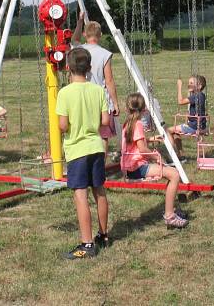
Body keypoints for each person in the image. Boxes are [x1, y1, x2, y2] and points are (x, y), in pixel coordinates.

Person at [56, 47, 110, 259]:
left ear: (68, 67)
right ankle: (103, 235)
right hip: (96, 147)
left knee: (81, 195)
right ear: (89, 68)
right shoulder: (98, 90)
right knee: (99, 191)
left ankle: (87, 244)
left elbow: (62, 125)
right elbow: (105, 121)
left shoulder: (65, 93)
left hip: (77, 150)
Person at [121, 93, 188, 229]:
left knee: (170, 174)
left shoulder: (128, 123)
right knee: (174, 175)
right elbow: (142, 149)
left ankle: (172, 208)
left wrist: (151, 139)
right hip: (136, 168)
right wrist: (155, 156)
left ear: (127, 109)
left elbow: (133, 143)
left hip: (130, 166)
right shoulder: (138, 123)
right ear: (144, 110)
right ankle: (170, 216)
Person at [73, 13, 120, 157]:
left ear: (84, 34)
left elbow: (74, 39)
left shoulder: (79, 50)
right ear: (99, 35)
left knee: (84, 133)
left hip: (82, 98)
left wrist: (80, 20)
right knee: (103, 135)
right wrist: (115, 103)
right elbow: (109, 80)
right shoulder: (104, 54)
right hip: (101, 100)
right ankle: (101, 164)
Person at [167, 75, 207, 163]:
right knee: (176, 132)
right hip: (200, 125)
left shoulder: (196, 96)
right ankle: (181, 155)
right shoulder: (201, 95)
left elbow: (180, 101)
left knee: (168, 131)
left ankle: (173, 155)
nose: (189, 84)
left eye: (191, 83)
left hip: (194, 127)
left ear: (199, 86)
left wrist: (179, 87)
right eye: (189, 83)